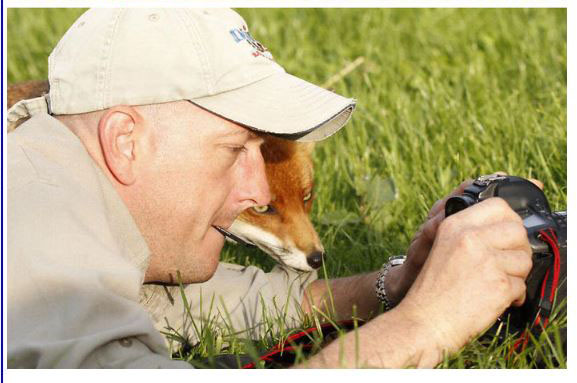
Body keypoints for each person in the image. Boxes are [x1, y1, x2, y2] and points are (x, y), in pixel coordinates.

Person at [7, 8, 533, 369]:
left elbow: (195, 302)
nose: (260, 189)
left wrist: (396, 285)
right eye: (237, 149)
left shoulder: (73, 189)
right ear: (126, 140)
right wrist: (424, 324)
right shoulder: (32, 220)